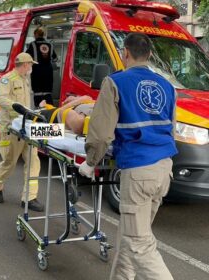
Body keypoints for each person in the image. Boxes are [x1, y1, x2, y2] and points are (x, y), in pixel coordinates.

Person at [79, 33, 177, 280]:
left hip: (138, 171)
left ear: (125, 53)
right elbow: (170, 128)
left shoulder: (115, 82)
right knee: (130, 237)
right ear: (150, 56)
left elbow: (101, 134)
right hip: (164, 169)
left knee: (139, 243)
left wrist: (91, 162)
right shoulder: (167, 86)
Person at [0, 52, 44, 212]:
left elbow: (27, 104)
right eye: (31, 65)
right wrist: (16, 106)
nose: (32, 67)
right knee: (9, 162)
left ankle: (30, 197)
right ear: (26, 65)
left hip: (27, 127)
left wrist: (36, 111)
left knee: (34, 161)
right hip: (12, 129)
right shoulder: (8, 79)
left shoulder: (25, 80)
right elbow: (0, 99)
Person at [26, 27, 57, 107]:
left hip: (37, 71)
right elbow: (55, 58)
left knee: (37, 92)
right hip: (48, 71)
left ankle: (38, 108)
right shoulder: (50, 44)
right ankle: (49, 108)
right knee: (47, 92)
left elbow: (26, 57)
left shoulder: (32, 44)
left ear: (36, 34)